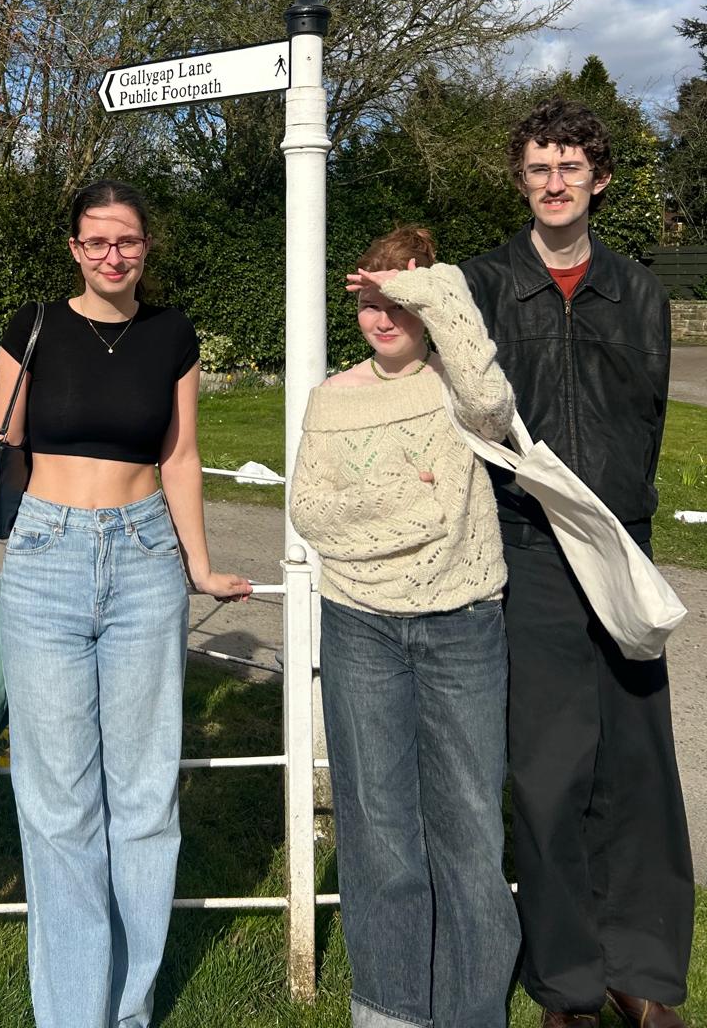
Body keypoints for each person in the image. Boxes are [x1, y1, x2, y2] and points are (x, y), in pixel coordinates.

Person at [0, 179, 250, 1028]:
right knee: (58, 795)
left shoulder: (172, 334)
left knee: (143, 795)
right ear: (74, 247)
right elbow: (5, 447)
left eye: (129, 242)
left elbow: (181, 458)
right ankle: (74, 1012)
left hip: (145, 557)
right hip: (45, 555)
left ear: (148, 247)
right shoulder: (31, 328)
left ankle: (131, 1005)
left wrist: (202, 566)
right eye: (98, 241)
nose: (115, 256)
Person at [462, 99, 693, 1028]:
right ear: (521, 182)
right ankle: (565, 986)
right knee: (550, 775)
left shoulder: (640, 291)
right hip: (530, 553)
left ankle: (642, 975)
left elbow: (649, 418)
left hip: (623, 552)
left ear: (597, 179)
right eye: (537, 169)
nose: (554, 183)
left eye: (570, 168)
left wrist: (626, 517)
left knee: (638, 770)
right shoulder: (484, 285)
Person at [290, 224, 520, 1028]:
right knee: (379, 831)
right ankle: (389, 1010)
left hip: (462, 625)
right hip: (360, 627)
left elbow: (492, 412)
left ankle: (471, 1011)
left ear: (430, 304)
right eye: (370, 301)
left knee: (470, 831)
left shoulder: (462, 387)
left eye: (401, 301)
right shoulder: (332, 399)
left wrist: (436, 287)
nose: (383, 317)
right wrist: (424, 507)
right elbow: (310, 512)